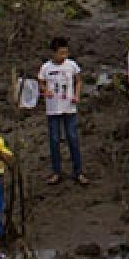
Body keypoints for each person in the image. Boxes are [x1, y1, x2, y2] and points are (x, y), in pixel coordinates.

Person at [36, 37, 85, 186]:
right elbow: (40, 83)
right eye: (60, 53)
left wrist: (77, 95)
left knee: (73, 139)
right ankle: (56, 172)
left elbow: (79, 80)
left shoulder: (72, 65)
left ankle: (78, 172)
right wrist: (45, 91)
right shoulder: (46, 68)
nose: (63, 56)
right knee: (54, 140)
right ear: (53, 53)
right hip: (53, 109)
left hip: (69, 107)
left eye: (65, 53)